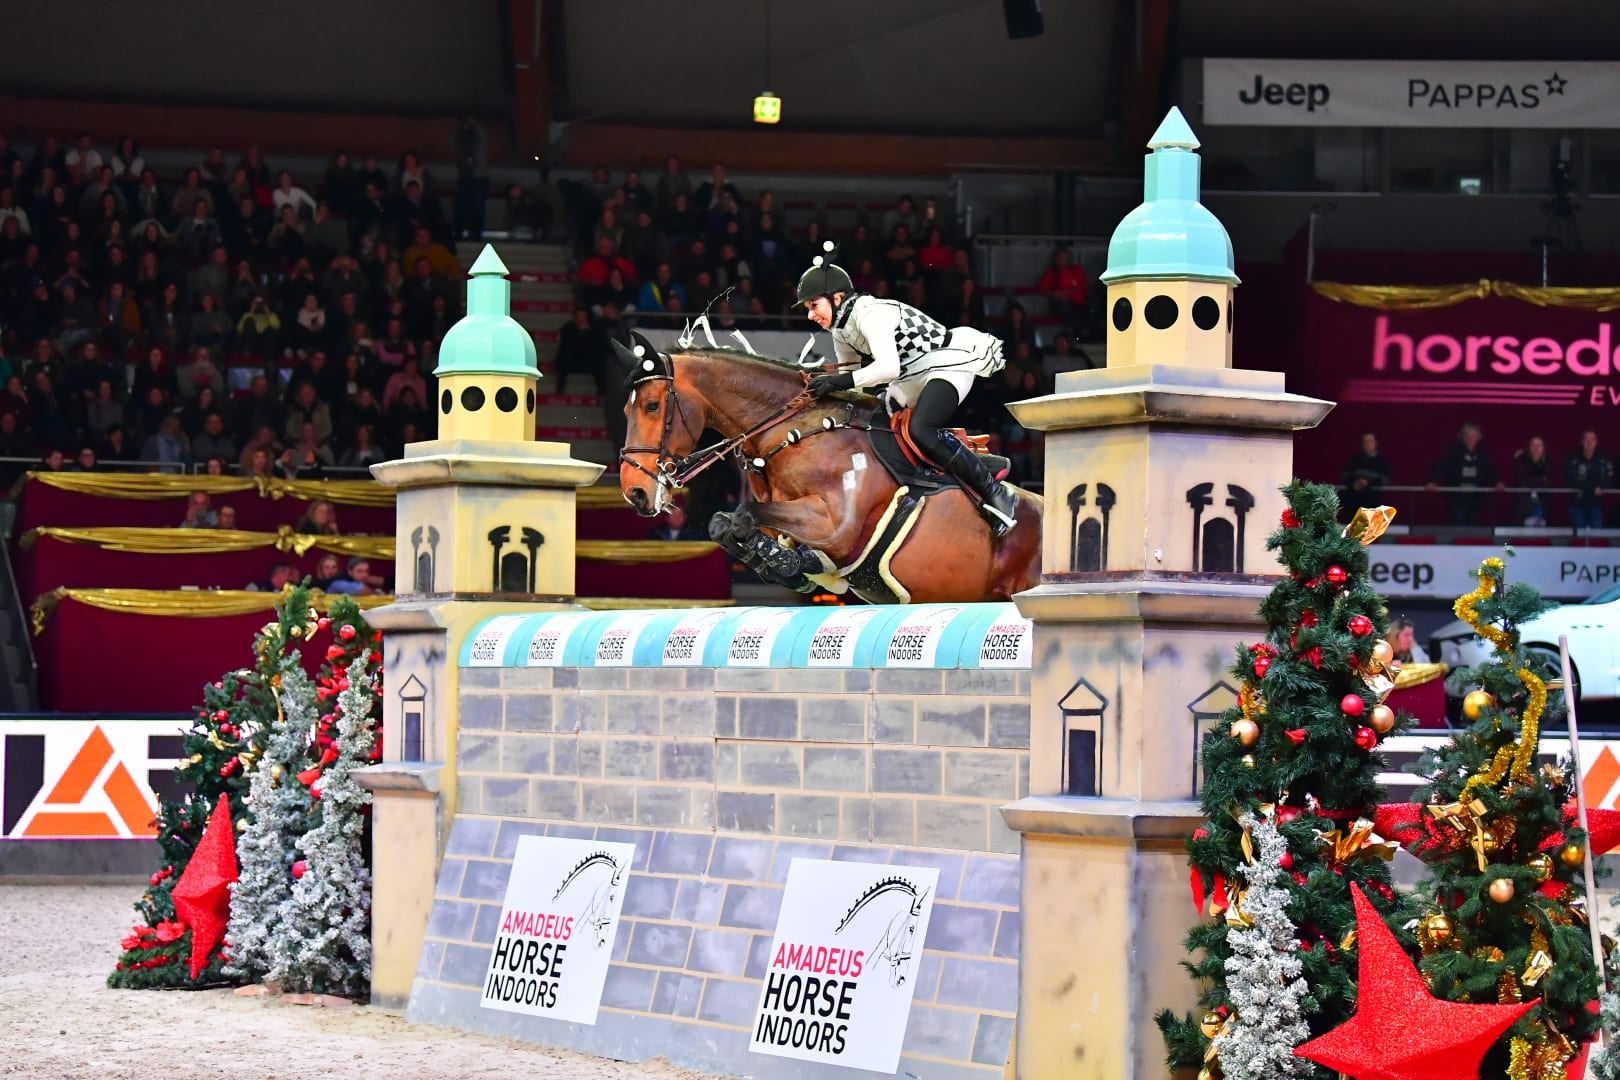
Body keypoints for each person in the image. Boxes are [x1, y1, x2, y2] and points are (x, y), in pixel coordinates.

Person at [796, 244, 1018, 536]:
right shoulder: (840, 329)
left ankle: (996, 493)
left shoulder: (870, 313)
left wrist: (841, 382)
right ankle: (981, 464)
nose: (811, 315)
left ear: (837, 298)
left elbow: (886, 369)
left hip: (947, 363)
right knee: (876, 423)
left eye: (814, 305)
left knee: (921, 429)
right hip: (912, 375)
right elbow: (851, 375)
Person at [1426, 423, 1501, 526]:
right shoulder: (1454, 451)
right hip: (1457, 498)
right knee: (1457, 524)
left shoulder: (1483, 453)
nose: (1471, 439)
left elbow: (1490, 470)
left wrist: (1497, 482)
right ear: (1463, 437)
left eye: (1474, 436)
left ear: (1479, 438)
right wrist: (1433, 481)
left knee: (1475, 525)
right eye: (1468, 436)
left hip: (1476, 497)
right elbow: (1442, 466)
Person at [1565, 430, 1611, 531]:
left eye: (1592, 439)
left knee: (1596, 537)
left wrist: (1602, 486)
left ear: (1596, 442)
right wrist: (1592, 488)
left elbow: (1609, 478)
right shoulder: (1573, 459)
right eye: (1586, 439)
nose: (1589, 442)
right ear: (1581, 441)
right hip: (1577, 504)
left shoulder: (1603, 459)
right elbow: (1572, 480)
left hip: (1596, 504)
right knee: (1579, 537)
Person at [1341, 432, 1391, 514]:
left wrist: (1368, 483)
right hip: (1354, 506)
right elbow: (1345, 477)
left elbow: (1385, 481)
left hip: (1374, 506)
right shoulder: (1354, 460)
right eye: (1365, 441)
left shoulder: (1382, 462)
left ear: (1376, 443)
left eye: (1370, 441)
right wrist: (1354, 483)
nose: (1368, 444)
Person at [1512, 435, 1554, 527]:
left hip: (1542, 501)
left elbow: (1549, 482)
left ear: (1543, 447)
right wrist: (1540, 479)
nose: (1536, 448)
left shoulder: (1549, 462)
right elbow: (1522, 480)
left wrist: (1534, 481)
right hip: (1524, 501)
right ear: (1529, 447)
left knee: (1541, 531)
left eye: (1539, 445)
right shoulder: (1521, 460)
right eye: (1533, 445)